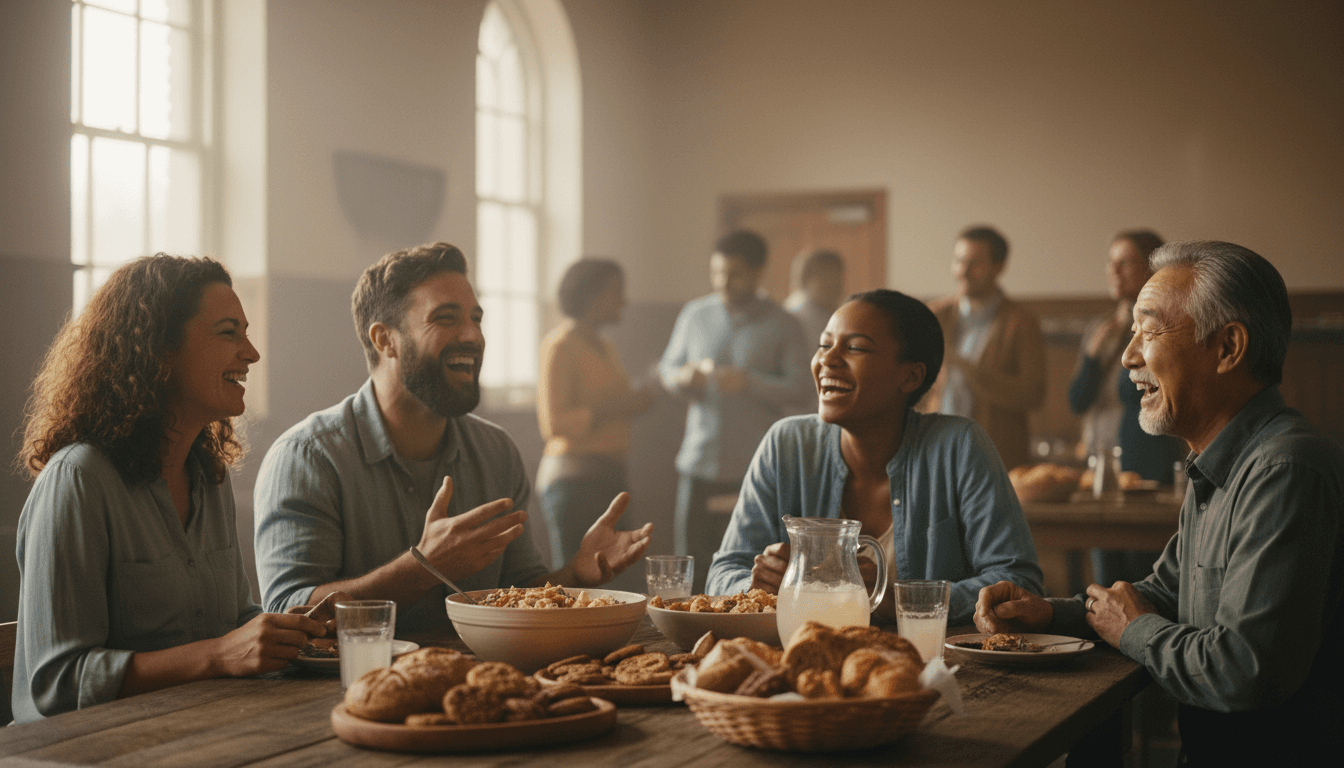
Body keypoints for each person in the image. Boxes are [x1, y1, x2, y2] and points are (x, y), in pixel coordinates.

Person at [975, 241, 1343, 765]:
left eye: (1148, 332)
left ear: (1228, 348)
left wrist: (1133, 630)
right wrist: (1048, 615)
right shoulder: (1220, 460)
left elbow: (1245, 671)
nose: (1128, 357)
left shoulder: (1285, 469)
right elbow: (1162, 593)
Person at [253, 243, 652, 632]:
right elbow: (290, 614)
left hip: (476, 686)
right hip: (343, 692)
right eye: (446, 318)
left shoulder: (496, 452)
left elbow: (517, 593)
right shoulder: (307, 457)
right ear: (384, 339)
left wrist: (575, 574)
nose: (473, 336)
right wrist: (423, 567)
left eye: (476, 319)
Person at [11, 256, 330, 723]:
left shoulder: (209, 477)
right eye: (228, 333)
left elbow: (228, 626)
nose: (252, 353)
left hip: (198, 731)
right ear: (158, 349)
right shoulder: (78, 481)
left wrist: (292, 633)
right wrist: (220, 654)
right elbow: (57, 685)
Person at [707, 290, 1043, 625]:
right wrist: (757, 586)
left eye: (855, 348)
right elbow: (723, 573)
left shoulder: (958, 447)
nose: (828, 359)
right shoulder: (787, 444)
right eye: (825, 345)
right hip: (807, 661)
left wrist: (892, 598)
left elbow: (1017, 582)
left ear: (910, 376)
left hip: (933, 669)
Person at [658, 230, 813, 593]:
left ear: (759, 273)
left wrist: (750, 382)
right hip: (698, 465)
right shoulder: (695, 314)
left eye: (734, 273)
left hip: (753, 470)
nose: (723, 282)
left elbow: (802, 388)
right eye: (716, 272)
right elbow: (667, 368)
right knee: (691, 566)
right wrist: (683, 377)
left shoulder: (784, 323)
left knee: (749, 567)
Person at [1067, 230, 1185, 585]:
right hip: (1102, 466)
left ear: (1150, 266)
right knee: (1104, 578)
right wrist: (1092, 357)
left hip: (1147, 463)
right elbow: (1076, 401)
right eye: (1110, 263)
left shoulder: (1166, 328)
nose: (1114, 271)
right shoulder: (1100, 330)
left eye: (1125, 263)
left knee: (1144, 578)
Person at [535, 258, 655, 568]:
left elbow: (612, 402)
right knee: (580, 582)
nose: (624, 300)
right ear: (590, 296)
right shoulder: (560, 345)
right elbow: (554, 423)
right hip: (573, 483)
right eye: (616, 291)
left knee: (614, 578)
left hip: (609, 477)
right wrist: (617, 407)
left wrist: (638, 400)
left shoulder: (605, 345)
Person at [921, 226, 1045, 471]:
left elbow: (1032, 395)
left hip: (994, 460)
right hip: (937, 455)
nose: (962, 271)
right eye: (959, 261)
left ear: (999, 267)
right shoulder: (934, 315)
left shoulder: (1021, 322)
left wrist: (959, 363)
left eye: (974, 263)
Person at [783, 248, 846, 345]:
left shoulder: (836, 311)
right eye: (826, 283)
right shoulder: (796, 317)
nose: (836, 290)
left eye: (838, 283)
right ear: (805, 280)